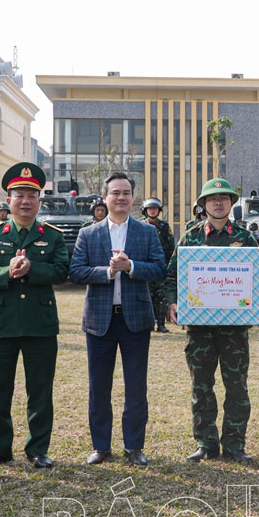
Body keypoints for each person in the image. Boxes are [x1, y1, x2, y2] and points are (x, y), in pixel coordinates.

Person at [165, 178, 259, 464]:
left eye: (224, 198)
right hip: (199, 329)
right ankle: (206, 444)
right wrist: (172, 302)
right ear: (204, 204)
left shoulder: (245, 238)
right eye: (213, 199)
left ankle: (235, 445)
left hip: (234, 329)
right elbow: (172, 276)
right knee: (201, 387)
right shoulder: (191, 237)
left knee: (237, 387)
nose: (218, 203)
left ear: (231, 203)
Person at [0, 164, 69, 469]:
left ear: (40, 201)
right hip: (1, 323)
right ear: (8, 200)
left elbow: (62, 271)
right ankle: (0, 448)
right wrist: (7, 272)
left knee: (40, 390)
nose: (25, 201)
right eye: (19, 195)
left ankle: (38, 449)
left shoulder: (51, 235)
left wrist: (32, 269)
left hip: (40, 324)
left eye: (31, 196)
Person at [69, 172, 167, 467]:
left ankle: (134, 446)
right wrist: (109, 272)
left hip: (135, 319)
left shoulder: (147, 232)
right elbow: (76, 271)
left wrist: (131, 266)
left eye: (126, 192)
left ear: (133, 197)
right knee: (99, 387)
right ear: (105, 198)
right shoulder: (89, 233)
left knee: (136, 386)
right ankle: (101, 446)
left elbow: (159, 268)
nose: (121, 197)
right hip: (100, 321)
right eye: (115, 192)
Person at [142, 198, 175, 334]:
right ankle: (149, 323)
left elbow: (171, 246)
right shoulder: (141, 226)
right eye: (150, 209)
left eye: (155, 209)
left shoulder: (164, 227)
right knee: (147, 297)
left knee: (161, 297)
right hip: (146, 267)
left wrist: (169, 266)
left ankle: (161, 324)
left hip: (161, 266)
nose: (152, 211)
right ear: (145, 211)